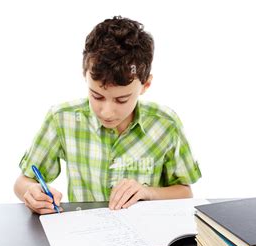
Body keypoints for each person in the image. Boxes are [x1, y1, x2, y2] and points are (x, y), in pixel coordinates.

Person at [14, 16, 201, 214]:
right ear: (84, 75)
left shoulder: (165, 124)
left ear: (146, 85)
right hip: (85, 235)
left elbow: (185, 192)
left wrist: (148, 192)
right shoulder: (62, 119)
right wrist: (31, 192)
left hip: (148, 236)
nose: (107, 112)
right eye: (97, 96)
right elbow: (23, 182)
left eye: (121, 100)